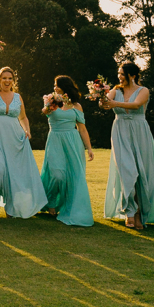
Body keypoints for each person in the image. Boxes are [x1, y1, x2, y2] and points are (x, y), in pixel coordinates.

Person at [0, 58, 46, 218]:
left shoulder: (17, 97)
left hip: (15, 138)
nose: (7, 81)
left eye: (10, 78)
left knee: (14, 174)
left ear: (13, 80)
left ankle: (11, 207)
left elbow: (23, 117)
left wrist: (27, 131)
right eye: (4, 78)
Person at [102, 62, 154, 229]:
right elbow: (105, 104)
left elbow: (137, 105)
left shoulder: (143, 90)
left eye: (122, 74)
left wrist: (115, 104)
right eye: (119, 74)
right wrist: (101, 97)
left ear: (132, 75)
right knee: (127, 171)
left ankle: (140, 213)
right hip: (120, 132)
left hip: (140, 133)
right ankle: (130, 212)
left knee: (141, 174)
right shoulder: (116, 91)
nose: (119, 77)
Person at [40, 75, 94, 227]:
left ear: (65, 87)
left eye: (57, 85)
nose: (55, 88)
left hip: (73, 142)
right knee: (57, 174)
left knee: (73, 176)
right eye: (54, 85)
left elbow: (82, 129)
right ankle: (50, 201)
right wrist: (51, 104)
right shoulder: (51, 101)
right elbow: (44, 112)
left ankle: (68, 207)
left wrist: (89, 148)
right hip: (55, 140)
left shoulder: (76, 106)